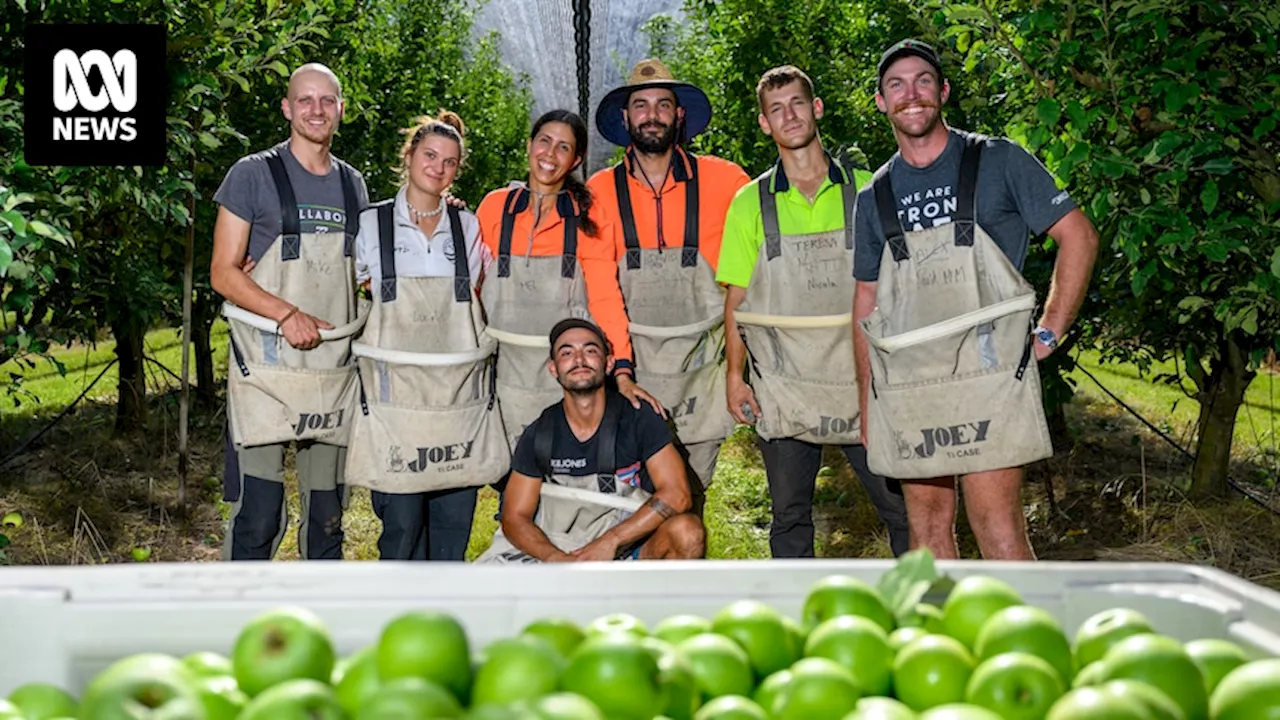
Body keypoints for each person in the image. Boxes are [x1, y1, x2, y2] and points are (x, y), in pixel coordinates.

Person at [852, 40, 1099, 560]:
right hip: (911, 381)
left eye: (923, 80)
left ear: (943, 90)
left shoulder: (999, 160)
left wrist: (1051, 329)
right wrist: (867, 402)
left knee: (998, 527)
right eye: (896, 85)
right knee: (927, 532)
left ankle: (1024, 640)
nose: (911, 94)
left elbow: (1078, 235)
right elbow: (866, 301)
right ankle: (944, 639)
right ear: (880, 101)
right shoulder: (873, 195)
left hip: (990, 376)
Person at [717, 65, 910, 559]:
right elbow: (738, 298)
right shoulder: (749, 203)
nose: (790, 116)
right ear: (765, 124)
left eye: (798, 103)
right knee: (789, 515)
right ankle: (795, 620)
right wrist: (735, 377)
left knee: (901, 510)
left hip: (863, 381)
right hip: (786, 386)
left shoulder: (868, 189)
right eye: (776, 109)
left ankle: (923, 611)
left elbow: (901, 286)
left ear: (817, 108)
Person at [211, 63, 370, 561]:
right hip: (266, 370)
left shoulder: (354, 185)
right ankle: (241, 623)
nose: (317, 110)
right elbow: (222, 271)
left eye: (327, 100)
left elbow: (359, 273)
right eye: (305, 100)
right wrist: (286, 312)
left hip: (330, 371)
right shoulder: (252, 174)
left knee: (327, 517)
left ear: (341, 109)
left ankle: (320, 627)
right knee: (259, 515)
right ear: (287, 108)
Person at [342, 111, 507, 561]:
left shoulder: (467, 226)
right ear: (409, 156)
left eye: (450, 162)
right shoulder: (371, 225)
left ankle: (445, 620)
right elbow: (343, 294)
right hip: (396, 409)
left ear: (457, 170)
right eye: (430, 155)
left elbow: (487, 294)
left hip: (457, 404)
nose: (438, 167)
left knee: (452, 528)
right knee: (401, 530)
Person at [588, 59, 751, 506]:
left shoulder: (728, 181)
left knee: (691, 497)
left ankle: (682, 569)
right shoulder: (599, 192)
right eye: (640, 105)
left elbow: (746, 284)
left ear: (679, 116)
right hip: (634, 374)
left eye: (663, 104)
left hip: (703, 374)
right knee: (631, 501)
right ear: (625, 118)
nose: (651, 114)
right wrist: (620, 369)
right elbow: (601, 289)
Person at [473, 109, 662, 457]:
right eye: (544, 141)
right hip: (501, 377)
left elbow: (605, 298)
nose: (550, 153)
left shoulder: (588, 218)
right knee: (511, 483)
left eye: (563, 147)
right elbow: (471, 287)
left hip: (564, 381)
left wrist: (621, 370)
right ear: (529, 146)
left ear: (576, 159)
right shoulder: (494, 208)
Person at [477, 318, 706, 563]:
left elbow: (678, 494)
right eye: (567, 352)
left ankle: (645, 599)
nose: (579, 359)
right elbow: (514, 516)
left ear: (608, 364)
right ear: (553, 369)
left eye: (590, 350)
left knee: (688, 532)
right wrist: (555, 558)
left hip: (626, 548)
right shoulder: (540, 432)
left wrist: (610, 542)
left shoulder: (639, 419)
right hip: (561, 546)